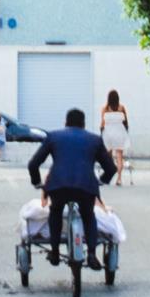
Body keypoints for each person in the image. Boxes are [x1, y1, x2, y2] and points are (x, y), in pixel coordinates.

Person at [27, 105, 116, 271]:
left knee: (56, 212)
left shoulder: (53, 137)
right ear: (84, 124)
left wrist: (37, 182)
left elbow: (33, 164)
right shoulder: (94, 140)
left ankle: (54, 251)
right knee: (88, 215)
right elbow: (111, 168)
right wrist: (101, 181)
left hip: (58, 185)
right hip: (85, 186)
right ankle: (90, 253)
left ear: (65, 123)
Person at [101, 88, 131, 184]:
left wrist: (101, 132)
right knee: (119, 156)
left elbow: (102, 124)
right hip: (120, 133)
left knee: (108, 157)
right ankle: (119, 179)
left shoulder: (105, 109)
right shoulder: (121, 108)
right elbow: (126, 122)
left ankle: (108, 175)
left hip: (109, 133)